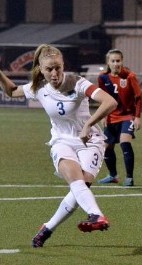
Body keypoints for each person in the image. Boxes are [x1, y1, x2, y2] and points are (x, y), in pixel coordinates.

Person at [0, 44, 117, 247]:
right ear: (40, 69)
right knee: (76, 182)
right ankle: (97, 215)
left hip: (89, 142)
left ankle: (47, 229)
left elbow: (109, 102)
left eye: (58, 68)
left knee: (80, 188)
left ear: (63, 66)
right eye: (49, 69)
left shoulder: (78, 83)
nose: (54, 73)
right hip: (62, 142)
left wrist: (89, 124)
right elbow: (11, 91)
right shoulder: (38, 88)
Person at [97, 49, 142, 187]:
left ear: (122, 61)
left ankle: (129, 177)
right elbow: (102, 99)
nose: (116, 63)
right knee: (106, 147)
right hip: (111, 116)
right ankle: (113, 175)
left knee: (125, 143)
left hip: (127, 116)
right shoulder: (103, 78)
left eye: (118, 61)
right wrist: (103, 115)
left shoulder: (129, 76)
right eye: (113, 61)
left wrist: (137, 117)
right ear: (108, 62)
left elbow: (139, 97)